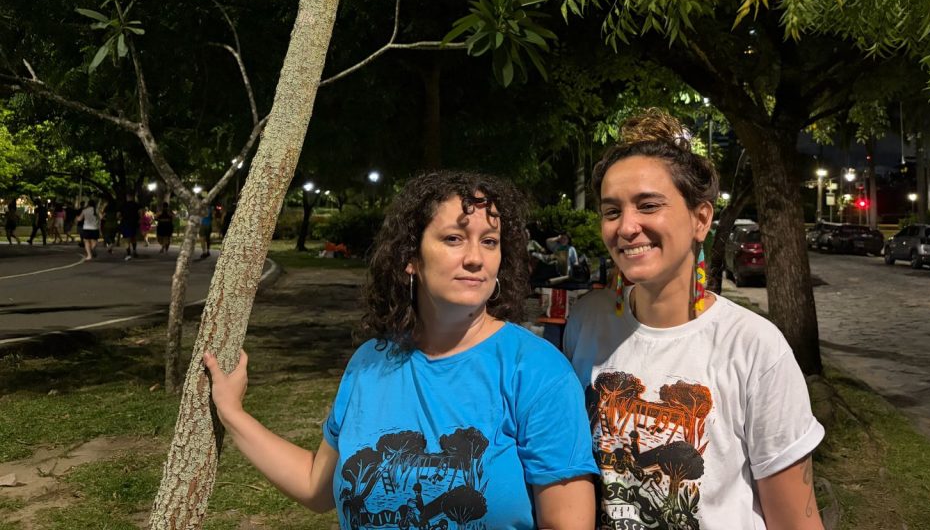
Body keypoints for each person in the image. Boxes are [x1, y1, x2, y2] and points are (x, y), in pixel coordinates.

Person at [204, 170, 598, 530]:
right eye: (454, 239)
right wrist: (233, 414)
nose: (476, 258)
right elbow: (315, 485)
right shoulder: (369, 363)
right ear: (411, 257)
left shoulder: (537, 371)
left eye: (489, 242)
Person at [563, 109, 825, 529]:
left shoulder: (754, 345)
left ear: (701, 218)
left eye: (648, 205)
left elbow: (796, 521)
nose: (627, 226)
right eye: (612, 212)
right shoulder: (587, 320)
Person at [121, 192, 141, 260]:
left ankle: (128, 254)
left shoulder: (123, 205)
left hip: (125, 223)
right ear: (133, 197)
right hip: (134, 223)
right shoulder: (136, 205)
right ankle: (134, 251)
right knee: (133, 238)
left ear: (127, 197)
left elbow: (118, 215)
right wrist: (139, 219)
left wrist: (121, 218)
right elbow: (141, 212)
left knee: (126, 239)